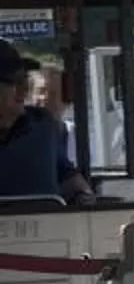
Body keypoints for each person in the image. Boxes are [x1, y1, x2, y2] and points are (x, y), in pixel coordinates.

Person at [0, 45, 89, 202]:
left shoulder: (42, 125)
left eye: (25, 80)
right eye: (15, 82)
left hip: (48, 225)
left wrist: (83, 195)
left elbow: (67, 177)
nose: (24, 90)